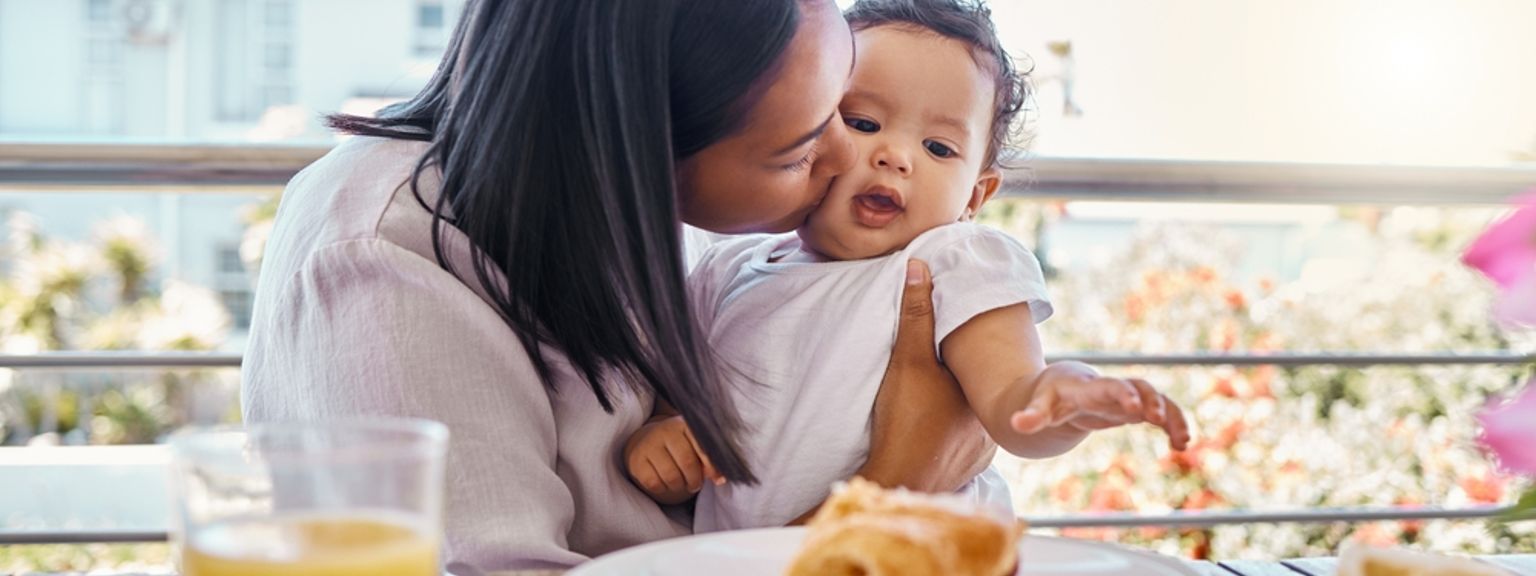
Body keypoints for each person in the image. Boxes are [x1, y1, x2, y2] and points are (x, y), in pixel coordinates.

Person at [242, 0, 1010, 570]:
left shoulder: (592, 199)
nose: (853, 160)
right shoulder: (386, 266)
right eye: (799, 151)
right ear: (642, 150)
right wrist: (898, 488)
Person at [622, 0, 1192, 532]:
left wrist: (1062, 400)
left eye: (939, 148)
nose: (894, 156)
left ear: (975, 196)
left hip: (923, 554)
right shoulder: (727, 271)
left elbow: (1011, 404)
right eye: (863, 122)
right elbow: (682, 409)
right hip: (751, 559)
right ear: (809, 128)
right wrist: (665, 441)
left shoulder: (953, 262)